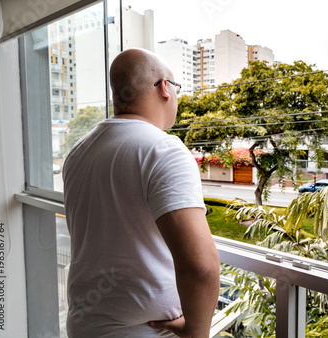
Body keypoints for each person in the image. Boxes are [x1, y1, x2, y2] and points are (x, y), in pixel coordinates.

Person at [63, 48, 220, 337]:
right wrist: (196, 331)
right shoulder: (163, 149)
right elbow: (200, 267)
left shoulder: (78, 152)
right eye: (177, 88)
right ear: (164, 88)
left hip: (82, 325)